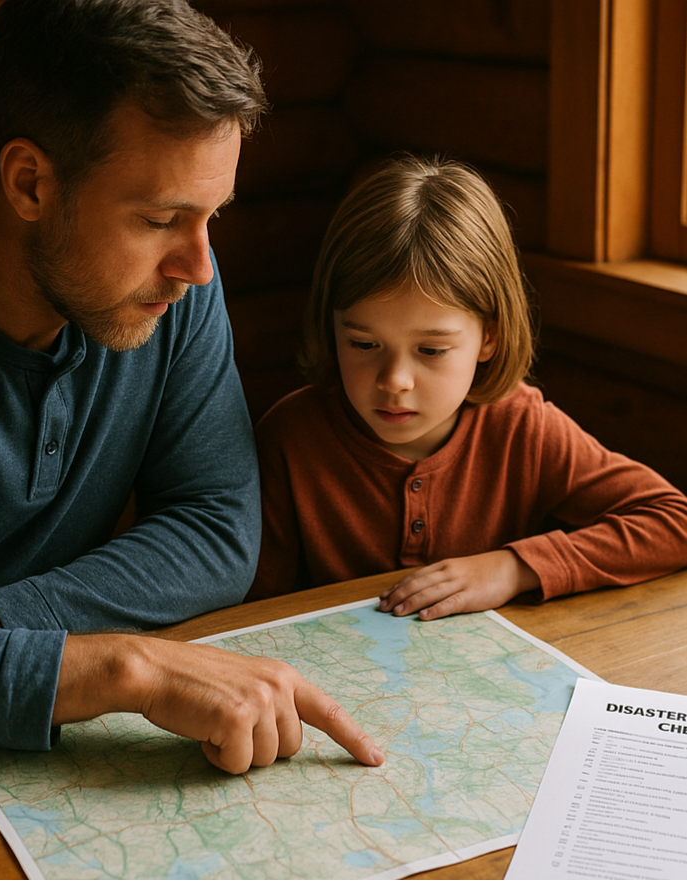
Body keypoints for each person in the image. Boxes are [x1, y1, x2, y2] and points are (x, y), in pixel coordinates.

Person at [0, 0, 383, 775]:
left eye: (211, 216)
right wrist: (124, 669)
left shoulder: (175, 288)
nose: (198, 265)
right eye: (161, 217)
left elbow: (217, 526)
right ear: (29, 182)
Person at [247, 154, 687, 618]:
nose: (394, 381)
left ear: (489, 336)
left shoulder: (523, 426)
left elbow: (674, 520)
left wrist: (511, 568)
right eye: (363, 343)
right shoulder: (290, 439)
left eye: (431, 350)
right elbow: (249, 612)